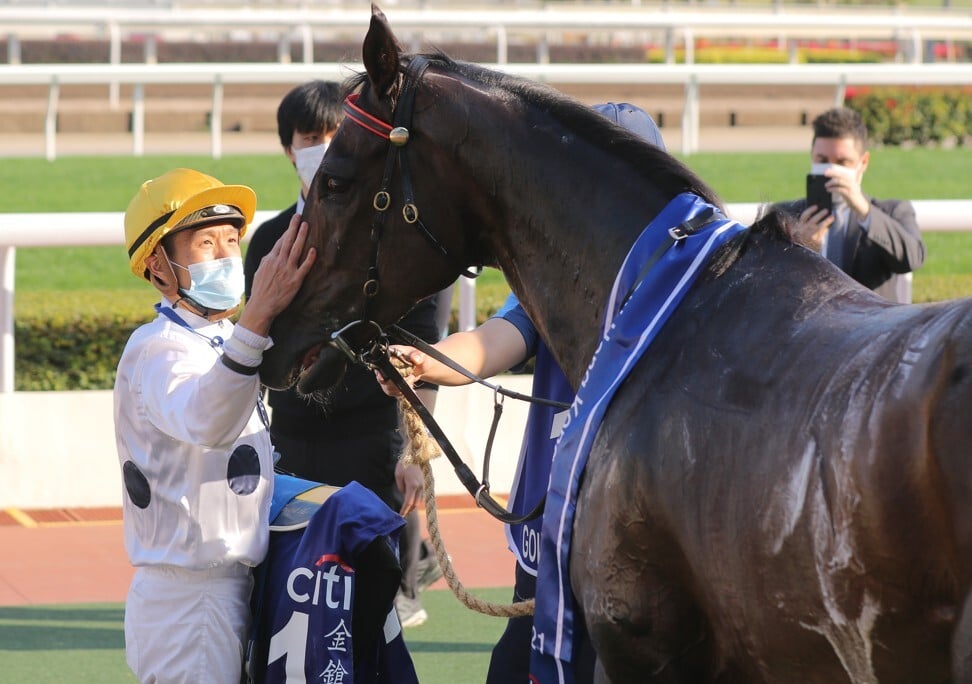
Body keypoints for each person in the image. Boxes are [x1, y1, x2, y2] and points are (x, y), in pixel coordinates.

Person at [377, 102, 667, 683]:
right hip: (546, 553)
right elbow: (492, 342)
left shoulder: (677, 289)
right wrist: (429, 363)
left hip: (634, 565)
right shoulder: (551, 287)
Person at [242, 79, 443, 630]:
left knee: (370, 603)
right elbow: (255, 342)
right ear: (289, 148)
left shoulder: (393, 236)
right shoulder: (268, 241)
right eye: (312, 136)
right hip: (289, 440)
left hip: (371, 439)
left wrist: (413, 450)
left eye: (338, 134)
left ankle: (410, 573)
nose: (326, 146)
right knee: (291, 598)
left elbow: (423, 346)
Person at [115, 167, 316, 683]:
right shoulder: (158, 347)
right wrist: (259, 318)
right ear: (158, 267)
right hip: (189, 596)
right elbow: (207, 420)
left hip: (225, 587)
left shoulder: (219, 336)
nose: (227, 256)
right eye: (206, 243)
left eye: (232, 240)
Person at [773, 106, 925, 303]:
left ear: (863, 163)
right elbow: (766, 284)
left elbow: (912, 259)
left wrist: (865, 211)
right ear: (812, 156)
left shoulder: (892, 212)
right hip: (808, 328)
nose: (830, 170)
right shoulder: (785, 215)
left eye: (842, 162)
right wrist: (801, 249)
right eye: (822, 160)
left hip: (869, 328)